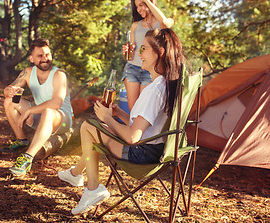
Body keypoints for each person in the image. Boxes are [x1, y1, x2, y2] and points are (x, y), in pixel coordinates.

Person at [58, 28, 183, 215]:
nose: (139, 54)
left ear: (160, 53)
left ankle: (92, 187)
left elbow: (133, 137)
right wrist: (120, 115)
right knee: (97, 129)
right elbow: (148, 125)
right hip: (154, 148)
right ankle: (76, 174)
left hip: (141, 153)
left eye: (144, 49)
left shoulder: (154, 90)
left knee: (88, 127)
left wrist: (108, 118)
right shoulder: (164, 84)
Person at [3, 38, 73, 176]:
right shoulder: (28, 73)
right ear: (31, 58)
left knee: (48, 111)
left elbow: (56, 104)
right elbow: (10, 88)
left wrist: (29, 110)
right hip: (39, 116)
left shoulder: (59, 75)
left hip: (61, 119)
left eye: (47, 54)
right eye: (40, 56)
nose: (45, 59)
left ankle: (27, 158)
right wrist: (8, 91)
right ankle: (22, 140)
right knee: (9, 101)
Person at [122, 0, 174, 111]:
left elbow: (166, 22)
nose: (139, 9)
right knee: (134, 110)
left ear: (150, 2)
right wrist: (127, 49)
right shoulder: (135, 25)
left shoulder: (161, 24)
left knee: (144, 109)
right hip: (132, 69)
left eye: (141, 5)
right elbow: (133, 46)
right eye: (137, 7)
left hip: (150, 72)